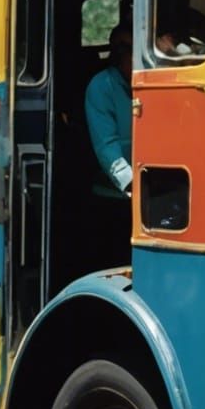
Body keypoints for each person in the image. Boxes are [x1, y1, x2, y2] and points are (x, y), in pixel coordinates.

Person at [83, 25, 134, 259]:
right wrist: (131, 182)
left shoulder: (143, 84)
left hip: (145, 194)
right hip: (112, 196)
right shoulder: (101, 86)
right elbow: (106, 145)